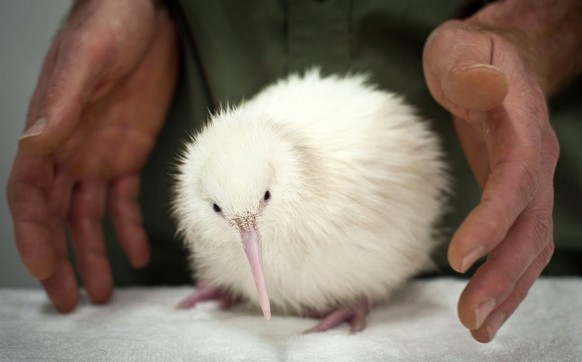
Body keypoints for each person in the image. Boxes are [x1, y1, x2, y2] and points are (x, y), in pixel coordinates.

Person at [6, 0, 581, 344]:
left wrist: (533, 23)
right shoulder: (226, 192)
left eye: (257, 206)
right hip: (143, 179)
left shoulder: (314, 186)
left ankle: (353, 297)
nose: (247, 233)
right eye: (232, 219)